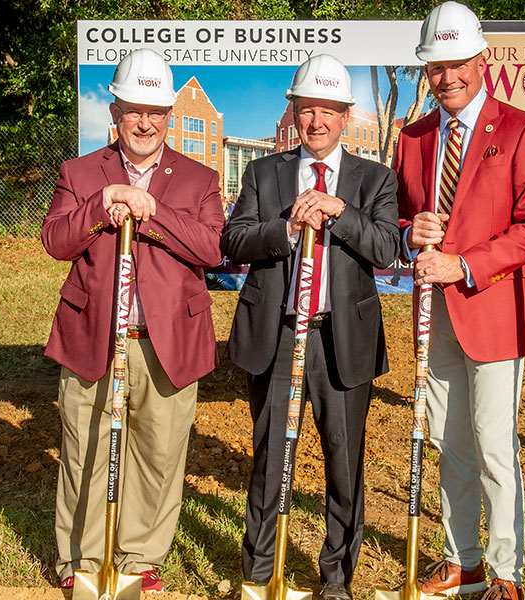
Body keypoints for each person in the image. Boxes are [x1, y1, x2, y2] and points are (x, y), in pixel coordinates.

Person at [41, 48, 224, 592]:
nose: (145, 122)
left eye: (156, 112)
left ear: (168, 116)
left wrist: (152, 210)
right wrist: (103, 204)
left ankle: (139, 559)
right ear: (115, 111)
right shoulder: (80, 172)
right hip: (93, 335)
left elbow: (211, 249)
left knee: (159, 454)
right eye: (133, 110)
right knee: (84, 451)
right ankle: (81, 562)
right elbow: (55, 239)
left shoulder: (199, 179)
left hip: (166, 341)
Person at [394, 3, 525, 600]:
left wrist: (463, 264)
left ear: (481, 59)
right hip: (434, 314)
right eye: (436, 67)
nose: (448, 76)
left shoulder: (521, 130)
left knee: (493, 443)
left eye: (458, 62)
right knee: (448, 440)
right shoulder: (412, 138)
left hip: (493, 310)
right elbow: (399, 218)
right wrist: (413, 233)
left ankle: (506, 572)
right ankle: (461, 560)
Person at [221, 54, 399, 600]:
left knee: (344, 463)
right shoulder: (263, 173)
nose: (316, 120)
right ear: (293, 111)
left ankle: (337, 580)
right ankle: (258, 576)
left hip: (340, 338)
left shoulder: (374, 179)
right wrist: (287, 226)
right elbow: (234, 241)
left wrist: (340, 211)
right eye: (306, 108)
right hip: (276, 335)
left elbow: (388, 249)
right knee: (270, 458)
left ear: (346, 115)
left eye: (328, 110)